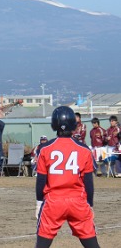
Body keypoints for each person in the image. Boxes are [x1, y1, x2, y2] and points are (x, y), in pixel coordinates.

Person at [35, 106, 99, 248]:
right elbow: (88, 181)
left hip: (53, 202)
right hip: (78, 201)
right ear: (73, 124)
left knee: (42, 245)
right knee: (92, 244)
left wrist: (39, 201)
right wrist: (90, 203)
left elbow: (41, 180)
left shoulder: (45, 149)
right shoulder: (84, 149)